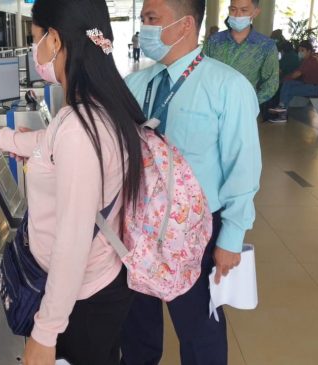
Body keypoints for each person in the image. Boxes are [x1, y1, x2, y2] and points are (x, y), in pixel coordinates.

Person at [0, 0, 145, 364]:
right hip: (97, 282)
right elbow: (42, 143)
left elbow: (73, 241)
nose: (34, 50)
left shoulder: (79, 128)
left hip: (82, 299)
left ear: (55, 40)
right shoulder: (93, 108)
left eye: (35, 38)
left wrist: (45, 332)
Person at [122, 0, 262, 364]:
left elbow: (242, 169)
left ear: (185, 25)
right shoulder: (135, 84)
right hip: (139, 229)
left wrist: (231, 238)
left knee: (199, 330)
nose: (145, 27)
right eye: (143, 19)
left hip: (197, 233)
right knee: (137, 327)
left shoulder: (228, 87)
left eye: (152, 19)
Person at [204, 0, 279, 121]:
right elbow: (202, 72)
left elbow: (271, 83)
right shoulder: (214, 41)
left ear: (255, 13)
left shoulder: (265, 46)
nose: (237, 15)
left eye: (244, 10)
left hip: (244, 111)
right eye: (233, 9)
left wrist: (250, 102)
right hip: (211, 108)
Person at [268, 40, 318, 122]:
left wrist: (283, 79)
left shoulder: (310, 61)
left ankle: (282, 113)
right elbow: (295, 75)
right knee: (288, 84)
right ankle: (282, 108)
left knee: (290, 89)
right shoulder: (306, 60)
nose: (300, 52)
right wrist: (285, 80)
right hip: (309, 84)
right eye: (299, 50)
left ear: (309, 51)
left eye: (302, 50)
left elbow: (296, 74)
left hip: (317, 87)